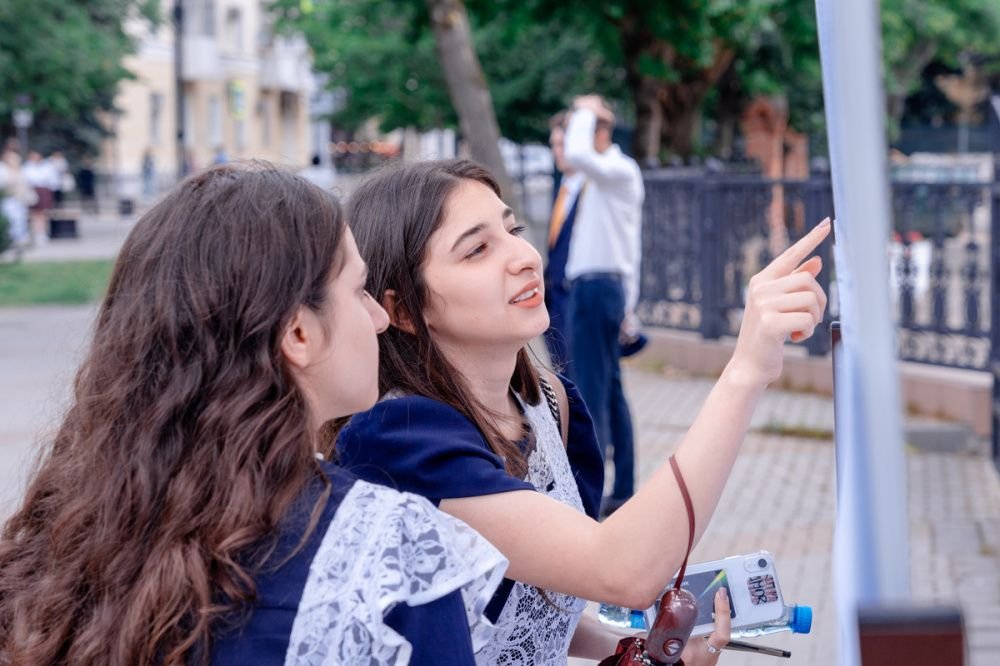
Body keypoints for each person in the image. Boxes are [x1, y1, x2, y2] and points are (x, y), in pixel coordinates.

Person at [0, 163, 508, 665]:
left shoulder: (67, 538)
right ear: (298, 335)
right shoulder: (391, 555)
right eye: (358, 290)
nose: (378, 318)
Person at [338, 158, 829, 663]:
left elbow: (533, 603)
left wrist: (640, 650)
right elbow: (624, 571)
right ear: (401, 310)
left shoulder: (548, 401)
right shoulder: (398, 436)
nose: (525, 257)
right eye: (478, 249)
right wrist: (744, 372)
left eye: (514, 230)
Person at [562, 94, 645, 514]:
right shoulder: (604, 178)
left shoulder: (617, 170)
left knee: (593, 391)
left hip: (598, 289)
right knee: (609, 390)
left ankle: (587, 498)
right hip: (600, 288)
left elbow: (577, 151)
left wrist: (587, 109)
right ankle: (622, 488)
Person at [543, 111, 585, 371]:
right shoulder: (565, 186)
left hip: (573, 293)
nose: (557, 152)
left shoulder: (590, 188)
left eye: (562, 145)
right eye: (554, 145)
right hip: (556, 294)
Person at [21, 150, 58, 245]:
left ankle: (41, 234)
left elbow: (53, 180)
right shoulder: (26, 167)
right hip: (32, 191)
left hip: (44, 191)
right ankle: (33, 233)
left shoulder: (46, 167)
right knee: (33, 214)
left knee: (42, 214)